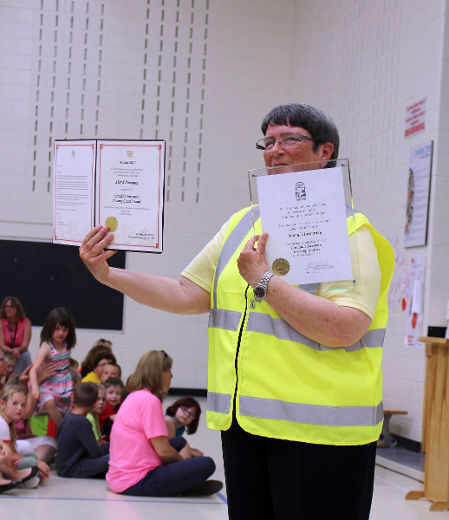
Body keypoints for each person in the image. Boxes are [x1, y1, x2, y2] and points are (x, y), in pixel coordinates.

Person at [80, 103, 394, 519]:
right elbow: (182, 292)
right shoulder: (242, 224)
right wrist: (108, 276)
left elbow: (345, 328)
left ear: (325, 152)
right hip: (246, 428)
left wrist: (264, 282)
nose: (274, 150)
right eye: (268, 141)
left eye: (289, 139)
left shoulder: (351, 231)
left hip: (323, 435)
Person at [106, 350, 221, 496]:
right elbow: (164, 452)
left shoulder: (135, 396)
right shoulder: (150, 401)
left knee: (178, 441)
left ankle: (182, 483)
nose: (171, 376)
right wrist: (183, 465)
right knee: (207, 464)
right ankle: (184, 486)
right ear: (158, 373)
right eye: (169, 371)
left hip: (119, 477)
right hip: (136, 481)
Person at [30, 307, 76, 428]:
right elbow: (34, 369)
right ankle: (62, 430)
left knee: (70, 409)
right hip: (48, 384)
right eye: (57, 329)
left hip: (64, 383)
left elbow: (65, 368)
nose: (61, 333)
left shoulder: (67, 344)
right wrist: (35, 388)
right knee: (49, 403)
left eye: (65, 329)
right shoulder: (47, 347)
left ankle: (66, 430)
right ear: (49, 328)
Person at [57, 382, 109, 478]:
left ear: (72, 398)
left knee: (108, 447)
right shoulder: (81, 422)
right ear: (94, 404)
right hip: (72, 468)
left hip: (66, 465)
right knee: (113, 458)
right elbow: (95, 453)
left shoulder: (69, 416)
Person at [0, 296, 32, 376]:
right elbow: (2, 345)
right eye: (6, 307)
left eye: (11, 307)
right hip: (6, 350)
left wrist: (18, 349)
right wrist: (12, 351)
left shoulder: (26, 322)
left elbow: (25, 345)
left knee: (26, 355)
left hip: (20, 351)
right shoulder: (1, 322)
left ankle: (24, 378)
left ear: (17, 309)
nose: (8, 309)